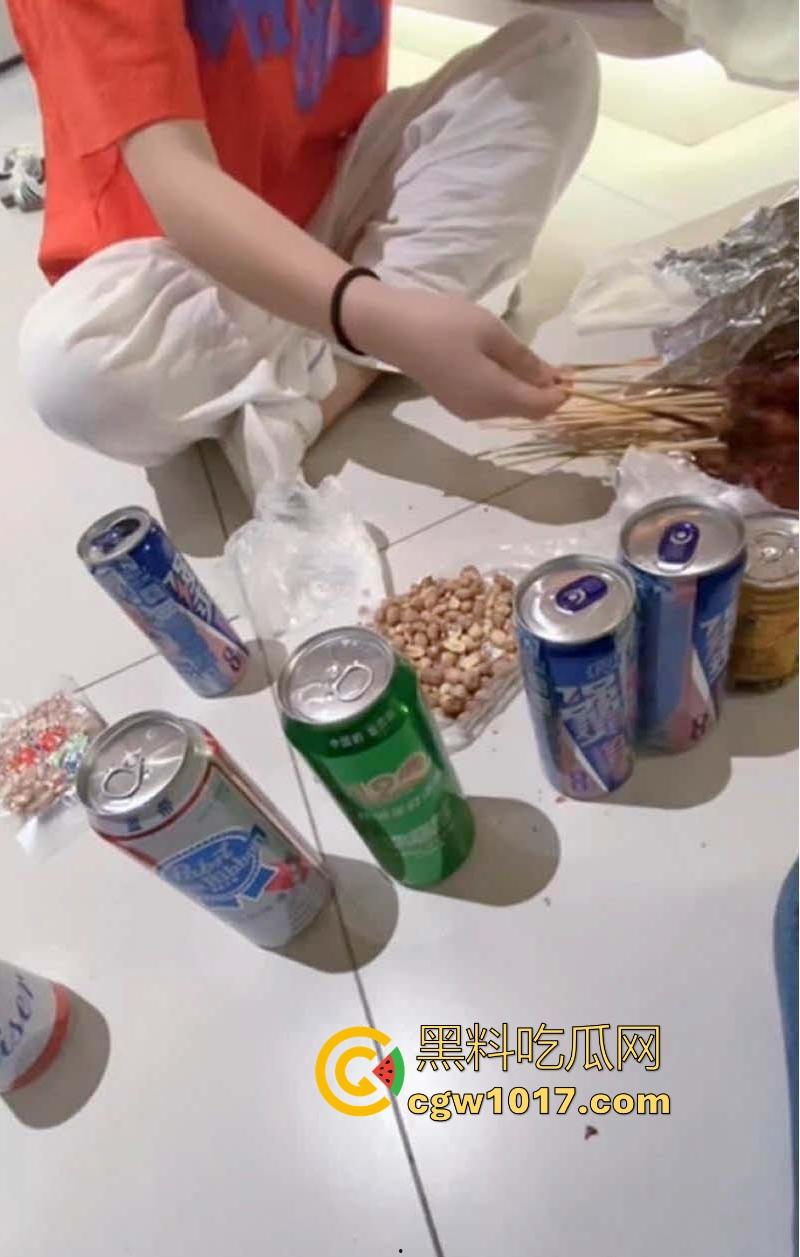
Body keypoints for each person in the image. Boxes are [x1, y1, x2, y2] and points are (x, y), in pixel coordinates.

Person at [9, 0, 599, 498]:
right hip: (182, 264)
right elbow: (176, 172)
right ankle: (360, 349)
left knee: (553, 55)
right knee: (74, 372)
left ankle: (316, 378)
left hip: (337, 188)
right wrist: (379, 318)